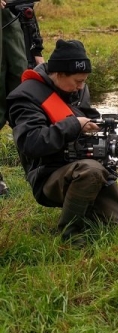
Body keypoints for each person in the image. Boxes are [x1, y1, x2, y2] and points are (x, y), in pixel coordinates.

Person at [6, 39, 118, 244]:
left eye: (84, 81)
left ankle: (83, 206)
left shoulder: (77, 89)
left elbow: (89, 117)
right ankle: (70, 236)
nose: (81, 87)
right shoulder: (25, 97)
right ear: (58, 73)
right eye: (77, 81)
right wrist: (74, 125)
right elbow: (30, 143)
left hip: (83, 163)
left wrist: (102, 128)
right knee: (90, 171)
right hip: (48, 175)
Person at [1, 0, 44, 196]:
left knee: (23, 106)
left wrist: (36, 49)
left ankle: (38, 175)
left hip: (14, 31)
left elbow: (26, 8)